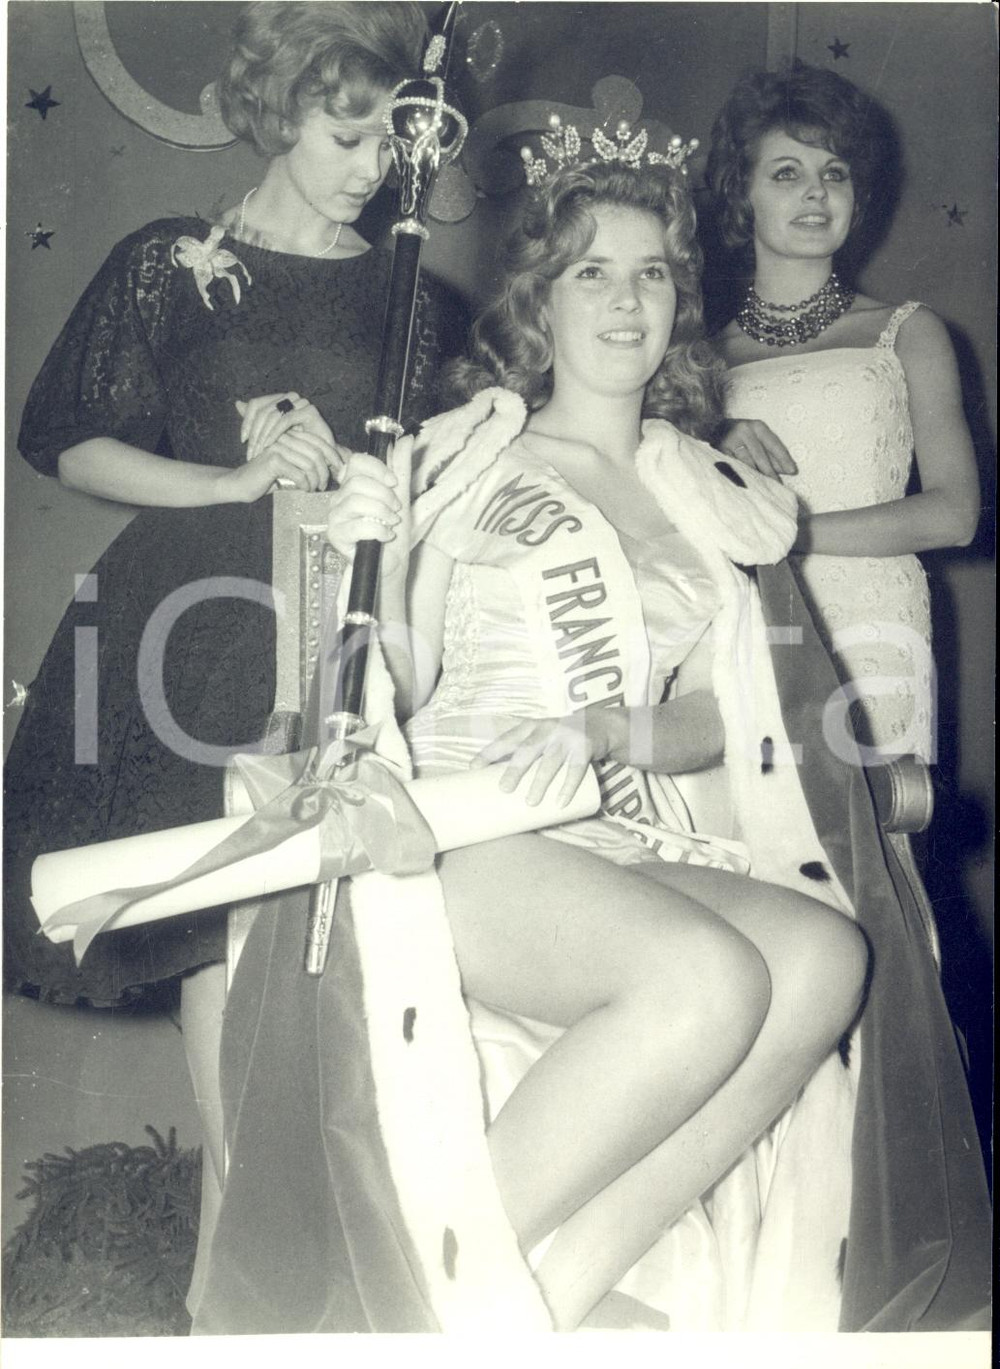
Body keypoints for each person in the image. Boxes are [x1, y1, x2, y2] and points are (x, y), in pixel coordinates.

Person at [194, 132, 902, 1334]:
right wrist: (388, 543)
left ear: (680, 300)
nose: (626, 300)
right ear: (541, 297)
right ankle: (427, 1291)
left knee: (825, 963)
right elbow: (392, 674)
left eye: (651, 273)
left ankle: (549, 1293)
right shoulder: (471, 453)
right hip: (463, 821)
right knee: (704, 980)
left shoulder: (705, 489)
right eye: (590, 273)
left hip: (616, 829)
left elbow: (725, 722)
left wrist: (614, 730)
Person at [3, 0, 466, 1311]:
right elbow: (68, 437)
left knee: (300, 979)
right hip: (178, 640)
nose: (372, 165)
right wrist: (232, 477)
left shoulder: (405, 290)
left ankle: (252, 1284)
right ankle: (230, 1285)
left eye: (393, 143)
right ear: (277, 110)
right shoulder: (170, 260)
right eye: (344, 130)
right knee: (226, 977)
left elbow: (425, 482)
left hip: (334, 634)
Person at [706, 63, 980, 766]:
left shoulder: (910, 330)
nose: (816, 193)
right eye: (787, 173)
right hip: (745, 621)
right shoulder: (698, 358)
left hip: (874, 624)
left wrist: (790, 536)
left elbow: (955, 513)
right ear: (744, 193)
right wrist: (708, 441)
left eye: (835, 173)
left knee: (873, 850)